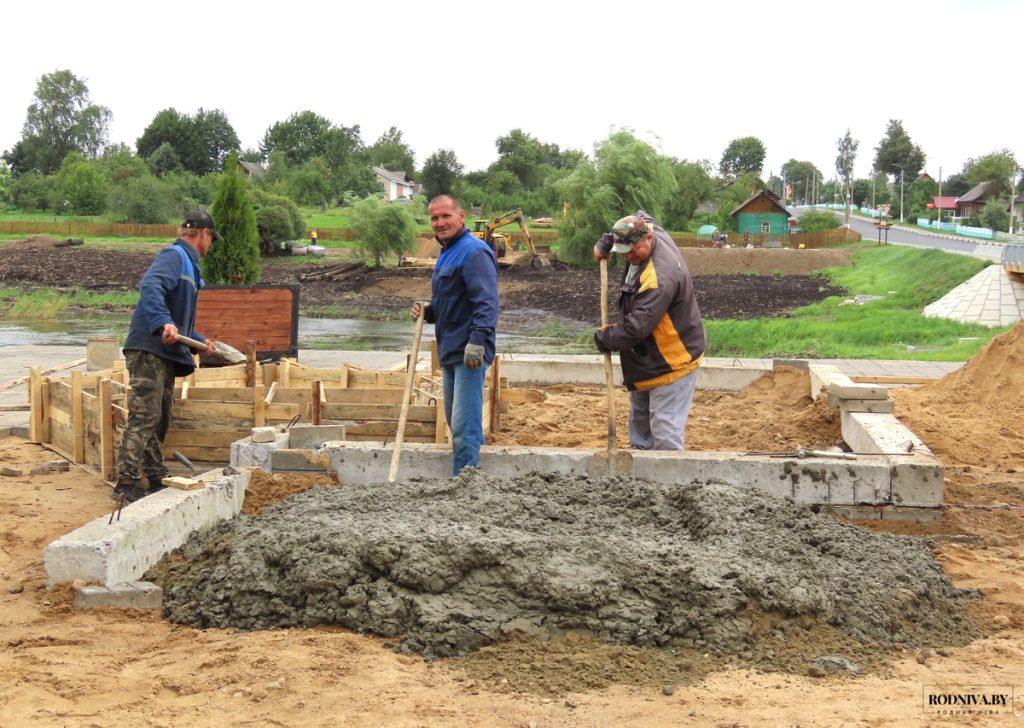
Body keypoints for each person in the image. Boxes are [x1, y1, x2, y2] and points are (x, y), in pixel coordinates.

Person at [113, 210, 220, 503]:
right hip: (149, 348)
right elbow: (150, 286)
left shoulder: (189, 266)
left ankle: (155, 474)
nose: (211, 246)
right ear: (203, 234)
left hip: (164, 351)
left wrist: (197, 341)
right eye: (212, 239)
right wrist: (162, 322)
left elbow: (178, 323)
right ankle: (126, 483)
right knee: (145, 415)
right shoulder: (174, 255)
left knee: (160, 417)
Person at [593, 212, 706, 451]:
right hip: (647, 356)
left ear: (648, 240)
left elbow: (635, 328)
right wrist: (606, 241)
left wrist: (604, 337)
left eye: (635, 251)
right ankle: (641, 473)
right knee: (641, 422)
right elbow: (639, 214)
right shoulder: (650, 228)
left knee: (665, 428)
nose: (630, 257)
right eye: (624, 252)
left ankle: (668, 481)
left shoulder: (659, 280)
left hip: (673, 359)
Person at [411, 195, 499, 475]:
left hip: (469, 352)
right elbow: (449, 300)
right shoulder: (447, 252)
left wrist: (478, 341)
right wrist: (429, 310)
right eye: (434, 218)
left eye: (446, 216)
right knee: (455, 419)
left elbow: (487, 303)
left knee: (463, 425)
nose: (440, 223)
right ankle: (476, 470)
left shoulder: (474, 252)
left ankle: (464, 484)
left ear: (461, 216)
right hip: (450, 350)